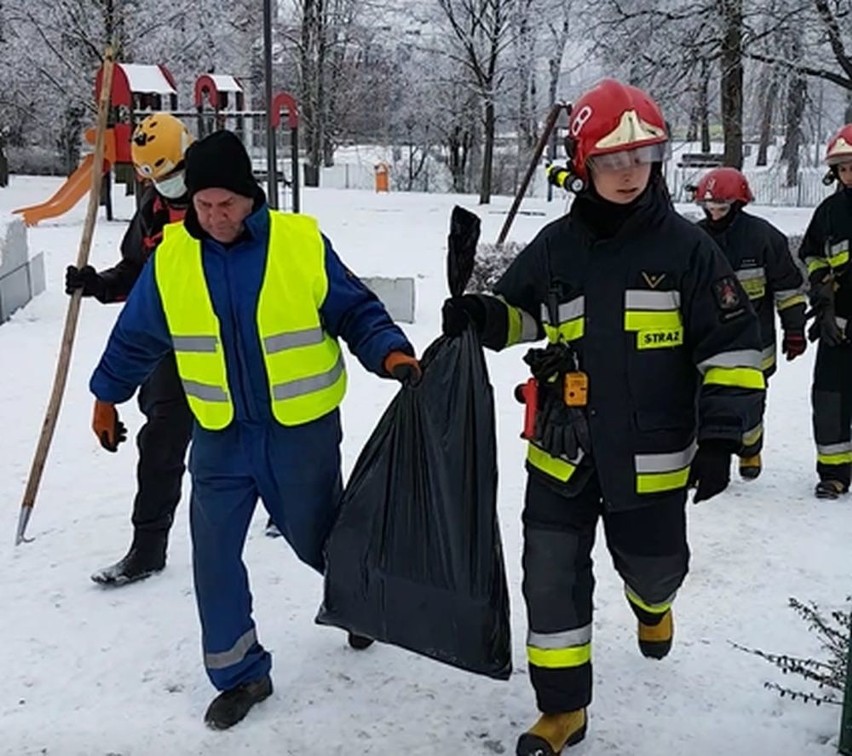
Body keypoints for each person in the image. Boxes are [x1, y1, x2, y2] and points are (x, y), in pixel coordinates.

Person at [442, 79, 765, 754]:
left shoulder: (688, 250)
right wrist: (480, 315)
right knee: (550, 576)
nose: (628, 174)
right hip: (562, 448)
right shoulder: (556, 247)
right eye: (612, 161)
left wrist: (723, 434)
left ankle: (653, 606)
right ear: (582, 164)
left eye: (641, 159)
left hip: (651, 458)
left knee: (652, 567)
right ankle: (563, 710)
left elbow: (732, 347)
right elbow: (521, 311)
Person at [88, 129, 420, 729]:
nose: (215, 218)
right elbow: (136, 336)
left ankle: (361, 604)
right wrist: (105, 397)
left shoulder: (298, 243)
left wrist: (390, 352)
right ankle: (241, 673)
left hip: (299, 432)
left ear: (251, 198)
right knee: (213, 556)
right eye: (204, 205)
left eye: (228, 205)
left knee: (317, 538)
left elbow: (355, 309)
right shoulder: (173, 258)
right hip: (219, 436)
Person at [66, 112, 195, 585]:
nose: (168, 188)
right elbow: (135, 274)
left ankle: (281, 514)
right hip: (168, 349)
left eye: (174, 176)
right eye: (156, 179)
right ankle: (147, 547)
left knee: (249, 441)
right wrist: (96, 284)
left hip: (228, 346)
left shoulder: (221, 203)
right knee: (160, 443)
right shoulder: (152, 209)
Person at [695, 167, 807, 480]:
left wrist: (795, 329)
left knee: (749, 403)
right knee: (702, 400)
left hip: (755, 345)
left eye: (721, 207)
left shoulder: (764, 238)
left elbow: (788, 288)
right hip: (707, 342)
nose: (714, 213)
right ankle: (706, 455)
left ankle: (750, 449)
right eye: (709, 207)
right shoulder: (695, 240)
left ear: (738, 204)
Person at [798, 124, 852, 499]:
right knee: (830, 399)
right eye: (843, 167)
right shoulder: (830, 211)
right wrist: (823, 299)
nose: (849, 174)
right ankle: (833, 473)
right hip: (840, 326)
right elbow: (814, 254)